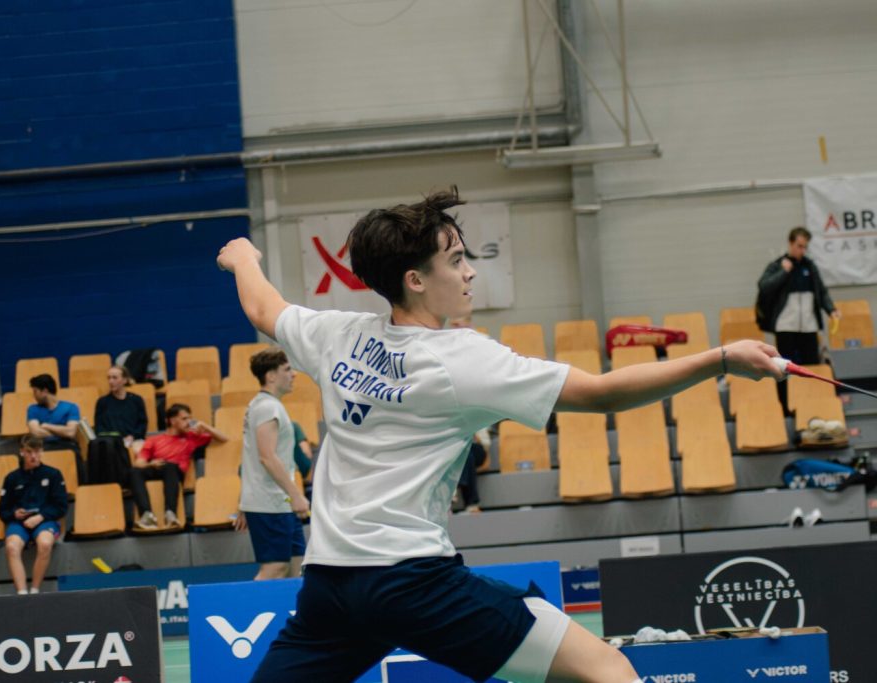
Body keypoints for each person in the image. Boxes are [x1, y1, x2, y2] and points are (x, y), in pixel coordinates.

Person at [218, 187, 783, 683]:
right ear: (415, 280)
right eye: (455, 260)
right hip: (414, 584)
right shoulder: (463, 359)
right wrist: (719, 358)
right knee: (608, 670)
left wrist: (244, 256)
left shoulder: (336, 335)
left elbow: (262, 306)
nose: (469, 272)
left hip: (331, 587)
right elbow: (601, 393)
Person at [233, 348, 310, 581]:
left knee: (296, 566)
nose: (293, 374)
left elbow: (249, 456)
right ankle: (248, 605)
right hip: (270, 504)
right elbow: (266, 457)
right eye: (287, 369)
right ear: (271, 376)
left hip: (279, 503)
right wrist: (296, 495)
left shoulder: (262, 405)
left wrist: (244, 502)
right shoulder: (268, 407)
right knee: (275, 568)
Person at [132, 403, 229, 530]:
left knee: (170, 466)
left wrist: (205, 426)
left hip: (174, 471)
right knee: (135, 471)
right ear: (172, 421)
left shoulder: (192, 437)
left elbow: (224, 438)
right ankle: (147, 515)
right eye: (184, 419)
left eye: (190, 418)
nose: (189, 422)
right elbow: (139, 463)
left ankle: (170, 514)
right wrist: (151, 463)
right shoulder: (153, 440)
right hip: (156, 467)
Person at [757, 226, 840, 366]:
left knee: (812, 367)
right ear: (790, 243)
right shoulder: (777, 265)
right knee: (785, 368)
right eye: (799, 246)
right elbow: (763, 286)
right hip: (785, 327)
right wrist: (783, 272)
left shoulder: (810, 266)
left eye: (805, 247)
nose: (802, 251)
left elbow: (821, 291)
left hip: (809, 327)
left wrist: (831, 309)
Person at [0, 435, 68, 595]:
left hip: (45, 520)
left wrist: (40, 516)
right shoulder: (12, 478)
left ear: (42, 451)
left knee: (45, 543)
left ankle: (35, 590)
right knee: (11, 546)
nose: (33, 456)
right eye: (29, 452)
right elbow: (2, 510)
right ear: (22, 452)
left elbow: (61, 506)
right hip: (19, 523)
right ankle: (22, 593)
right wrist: (14, 514)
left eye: (37, 451)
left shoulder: (53, 474)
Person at [94, 365, 148, 450]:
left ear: (125, 380)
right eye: (109, 378)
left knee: (140, 449)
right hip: (111, 443)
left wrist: (133, 436)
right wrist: (114, 439)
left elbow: (142, 424)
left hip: (134, 440)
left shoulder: (136, 400)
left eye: (115, 378)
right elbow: (99, 428)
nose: (111, 381)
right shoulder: (102, 402)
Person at [26, 374, 81, 454]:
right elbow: (36, 432)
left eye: (35, 391)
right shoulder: (33, 409)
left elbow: (70, 432)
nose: (33, 395)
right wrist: (62, 432)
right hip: (43, 447)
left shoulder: (71, 407)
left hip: (67, 447)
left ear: (44, 391)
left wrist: (46, 426)